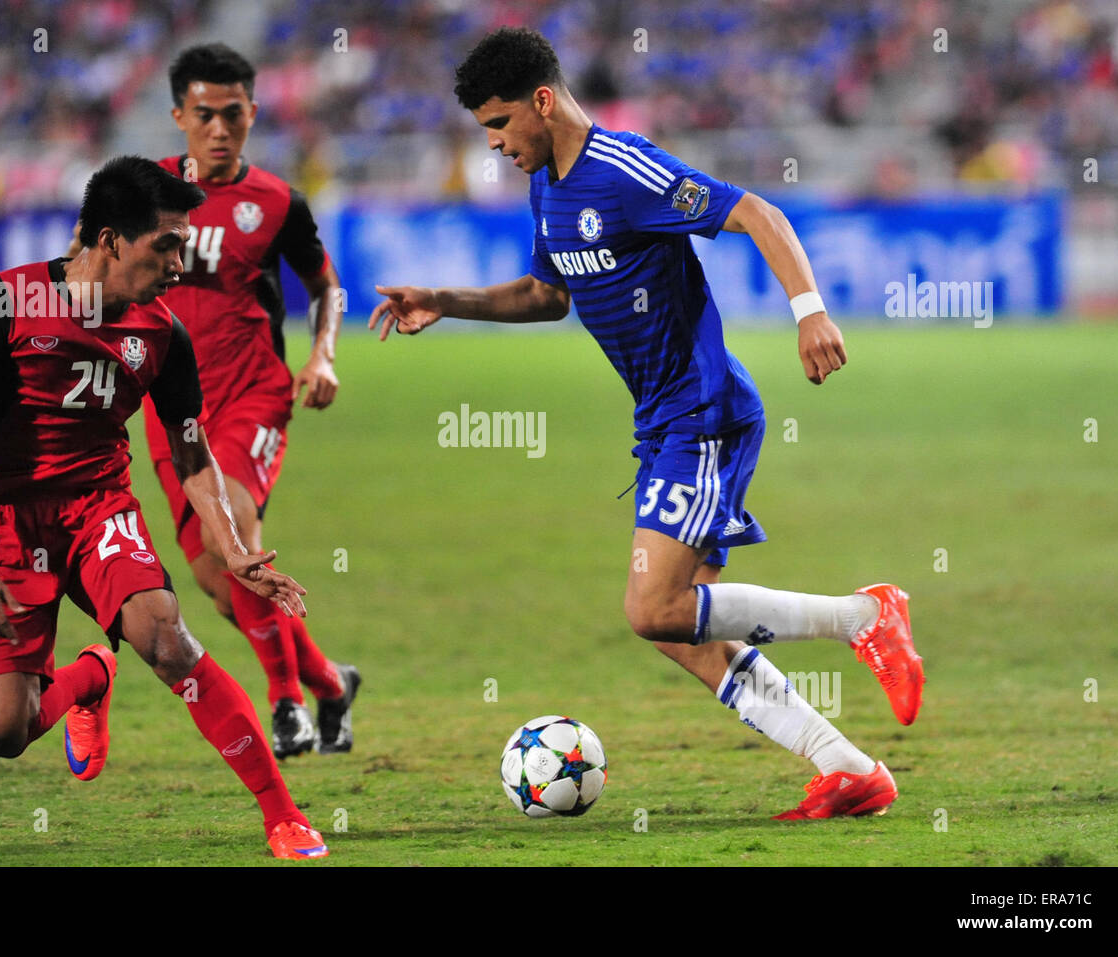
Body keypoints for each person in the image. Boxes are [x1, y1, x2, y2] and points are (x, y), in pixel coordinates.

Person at [369, 28, 925, 820]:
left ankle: (865, 615)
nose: (494, 145)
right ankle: (847, 766)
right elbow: (546, 294)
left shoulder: (622, 169)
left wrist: (811, 313)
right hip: (662, 419)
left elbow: (757, 212)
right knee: (676, 626)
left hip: (703, 411)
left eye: (499, 125)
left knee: (651, 608)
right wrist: (445, 300)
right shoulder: (547, 187)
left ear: (542, 101)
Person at [0, 155, 329, 858]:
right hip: (4, 518)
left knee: (169, 640)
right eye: (167, 245)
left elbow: (191, 454)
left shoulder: (163, 335)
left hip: (97, 509)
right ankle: (91, 674)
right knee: (3, 731)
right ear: (112, 239)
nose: (182, 263)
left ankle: (283, 813)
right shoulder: (5, 303)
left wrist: (236, 551)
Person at [69, 44, 359, 759]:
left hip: (254, 393)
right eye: (206, 115)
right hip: (173, 406)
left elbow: (326, 287)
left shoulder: (278, 201)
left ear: (254, 113)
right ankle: (329, 681)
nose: (221, 128)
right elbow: (83, 265)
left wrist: (323, 353)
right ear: (178, 116)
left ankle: (286, 702)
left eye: (235, 114)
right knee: (216, 578)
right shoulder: (142, 194)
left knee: (234, 522)